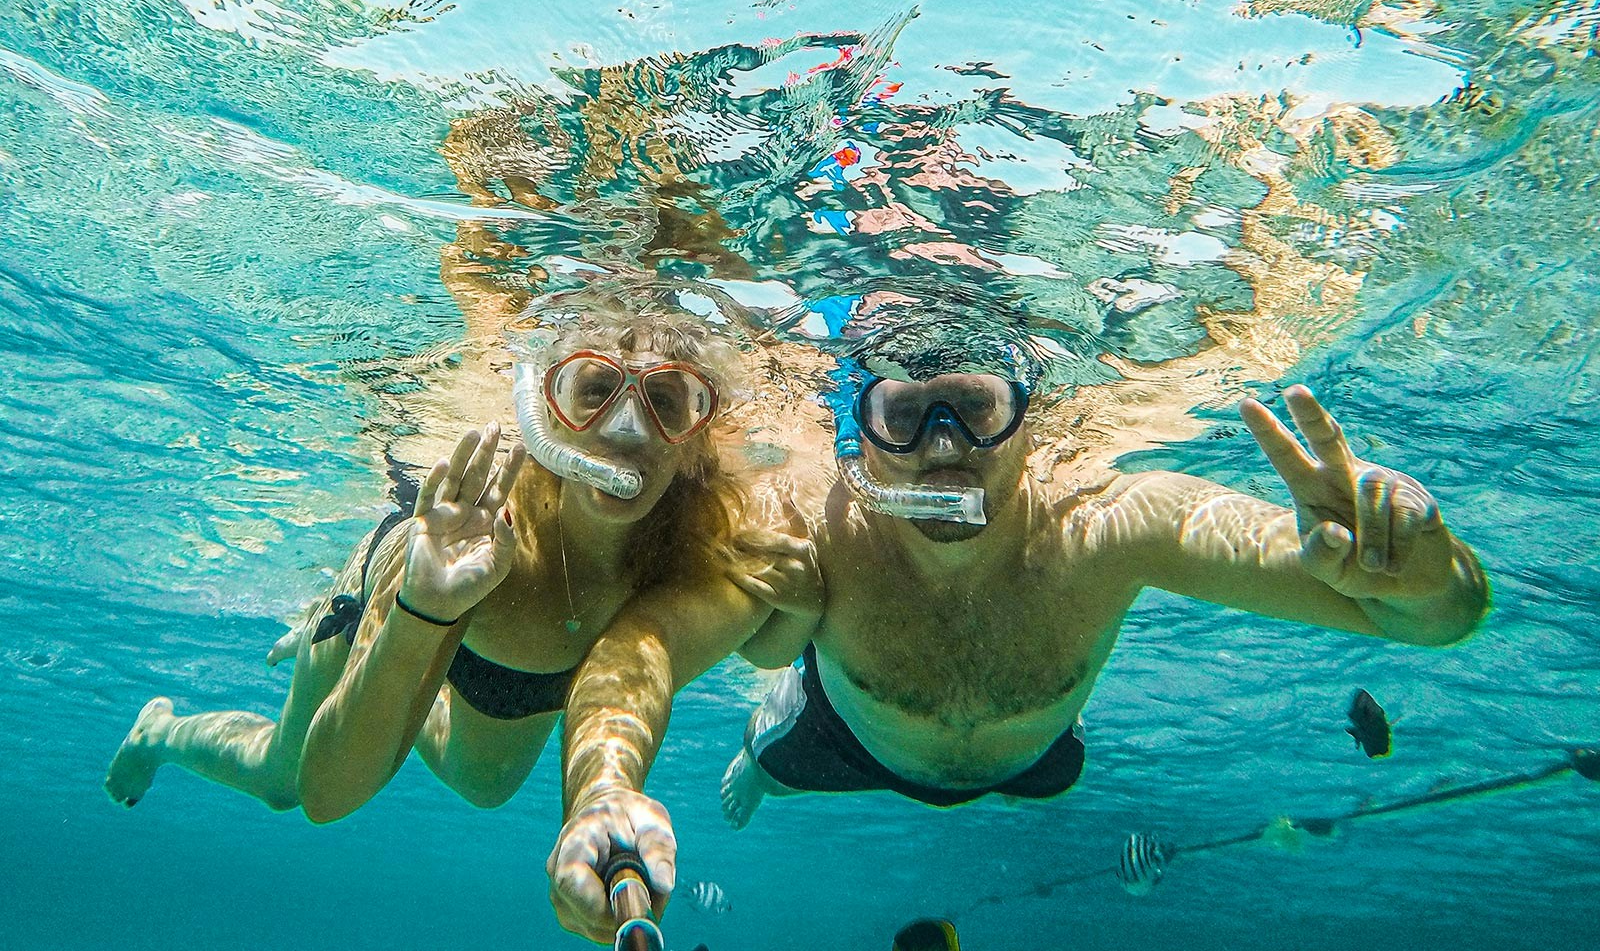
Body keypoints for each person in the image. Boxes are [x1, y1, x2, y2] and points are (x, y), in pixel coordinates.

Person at [544, 325, 1489, 942]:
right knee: (774, 749)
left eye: (976, 410)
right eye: (905, 415)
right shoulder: (811, 529)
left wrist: (1426, 574)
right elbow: (642, 647)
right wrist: (603, 787)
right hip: (836, 742)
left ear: (1029, 423)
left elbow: (1439, 619)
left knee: (1050, 770)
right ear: (859, 432)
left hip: (1037, 757)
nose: (943, 448)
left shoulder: (1116, 522)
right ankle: (765, 736)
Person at [105, 299, 750, 821]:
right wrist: (419, 615)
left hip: (513, 664)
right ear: (545, 412)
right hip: (413, 589)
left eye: (666, 402)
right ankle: (161, 733)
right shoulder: (480, 525)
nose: (627, 428)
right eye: (596, 389)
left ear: (698, 437)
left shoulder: (705, 542)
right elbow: (327, 798)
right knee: (284, 780)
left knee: (484, 788)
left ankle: (399, 681)